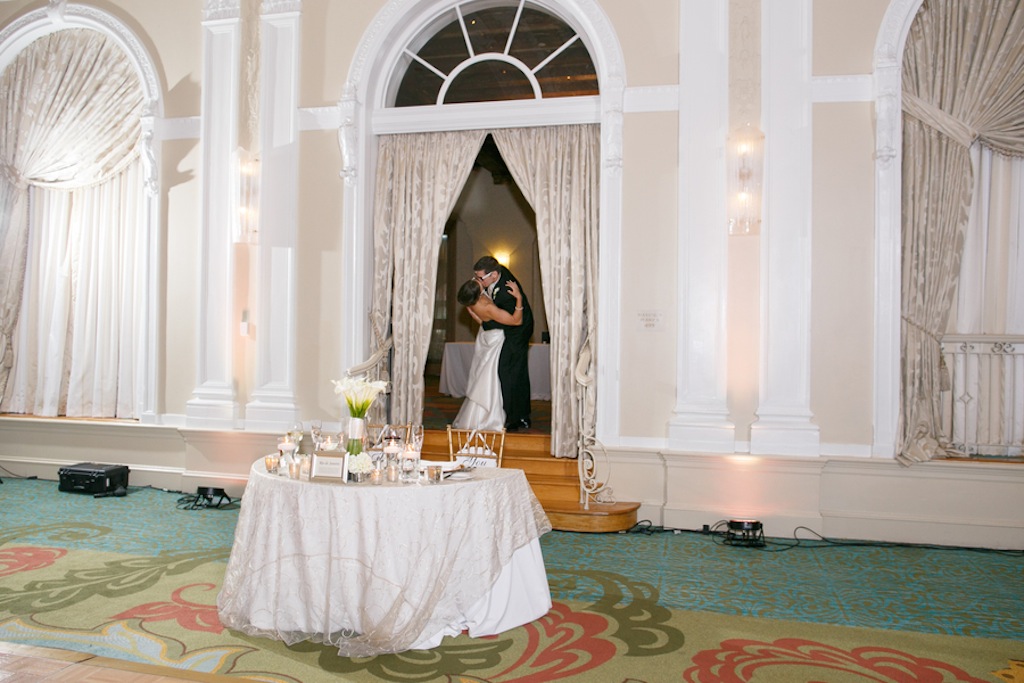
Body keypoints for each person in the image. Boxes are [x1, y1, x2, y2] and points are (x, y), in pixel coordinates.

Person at [452, 277, 525, 430]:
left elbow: (474, 315)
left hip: (485, 335)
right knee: (490, 377)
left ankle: (476, 414)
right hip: (495, 339)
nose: (479, 280)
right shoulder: (487, 307)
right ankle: (487, 417)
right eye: (478, 282)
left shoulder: (471, 302)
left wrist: (486, 323)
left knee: (481, 373)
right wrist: (518, 298)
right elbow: (515, 321)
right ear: (478, 293)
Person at [472, 256, 534, 432]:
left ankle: (517, 418)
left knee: (510, 373)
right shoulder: (496, 274)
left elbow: (507, 320)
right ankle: (514, 413)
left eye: (480, 278)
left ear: (494, 275)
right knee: (510, 373)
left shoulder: (506, 293)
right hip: (509, 329)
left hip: (516, 333)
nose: (478, 281)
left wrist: (484, 321)